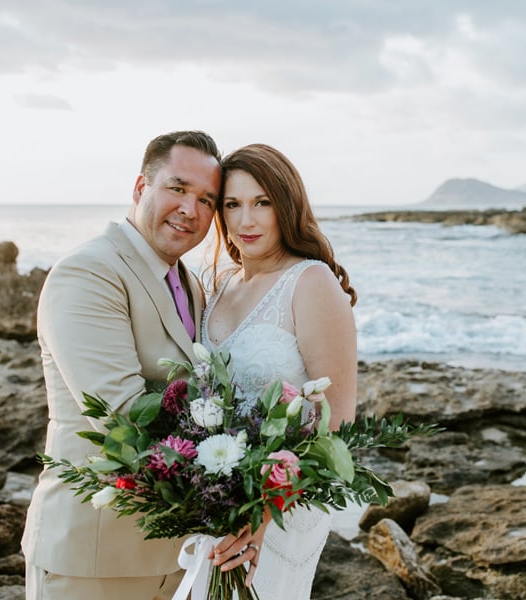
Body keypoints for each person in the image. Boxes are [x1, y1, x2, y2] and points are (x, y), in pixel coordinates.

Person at [21, 131, 222, 600]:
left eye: (207, 199)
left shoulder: (189, 283)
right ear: (139, 188)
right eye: (177, 188)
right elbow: (122, 415)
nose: (191, 210)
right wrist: (234, 472)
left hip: (177, 555)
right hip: (93, 558)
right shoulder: (89, 272)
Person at [201, 143, 358, 598]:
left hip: (283, 508)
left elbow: (338, 421)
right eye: (232, 204)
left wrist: (263, 512)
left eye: (262, 203)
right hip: (217, 500)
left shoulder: (310, 282)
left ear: (286, 205)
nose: (245, 220)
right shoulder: (221, 285)